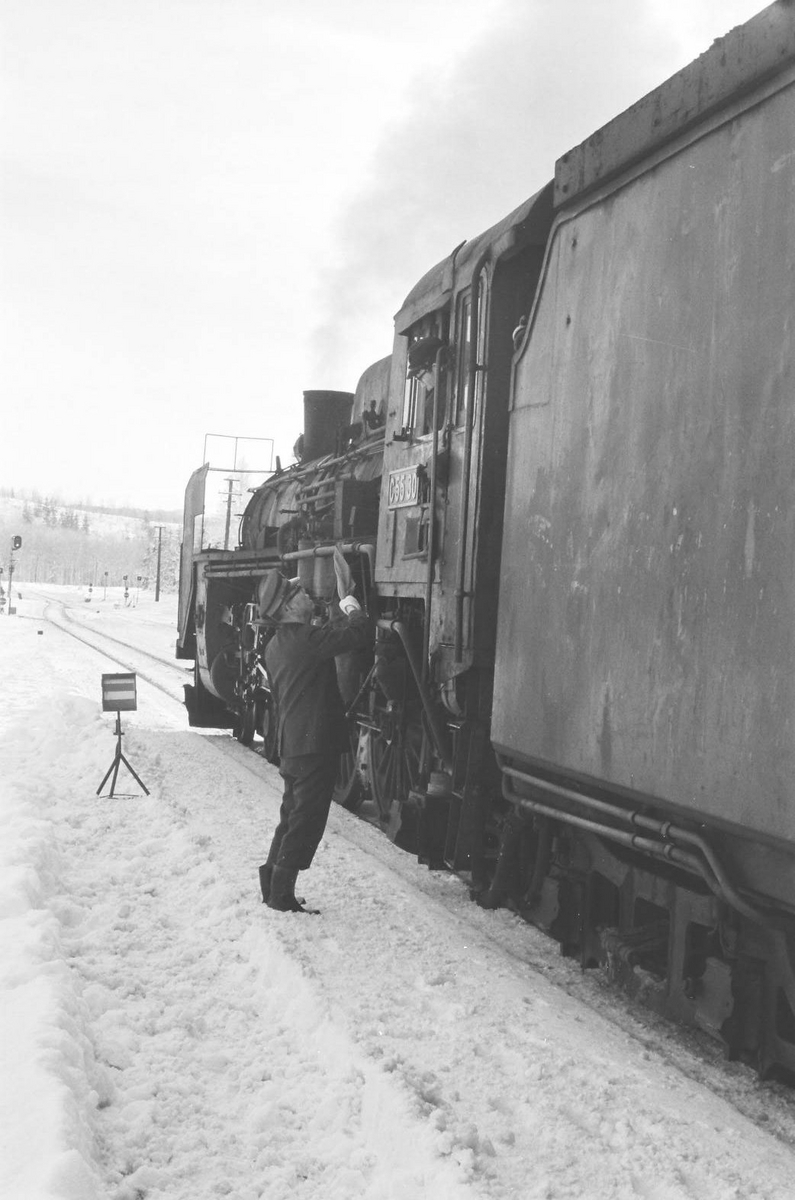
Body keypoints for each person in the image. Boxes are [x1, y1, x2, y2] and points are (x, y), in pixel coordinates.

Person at [256, 556, 370, 913]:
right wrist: (350, 603)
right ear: (290, 606)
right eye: (301, 593)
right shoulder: (305, 639)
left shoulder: (277, 644)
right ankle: (281, 894)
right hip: (313, 744)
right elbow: (357, 634)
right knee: (306, 820)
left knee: (292, 814)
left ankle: (272, 882)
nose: (307, 595)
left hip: (294, 744)